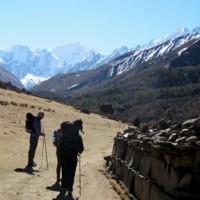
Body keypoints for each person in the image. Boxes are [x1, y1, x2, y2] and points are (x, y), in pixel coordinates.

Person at [59, 119, 84, 197]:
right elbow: (82, 148)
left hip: (64, 156)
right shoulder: (78, 136)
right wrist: (79, 152)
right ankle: (69, 190)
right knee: (71, 173)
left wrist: (61, 153)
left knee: (64, 171)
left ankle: (63, 187)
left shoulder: (65, 134)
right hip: (73, 157)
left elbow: (60, 145)